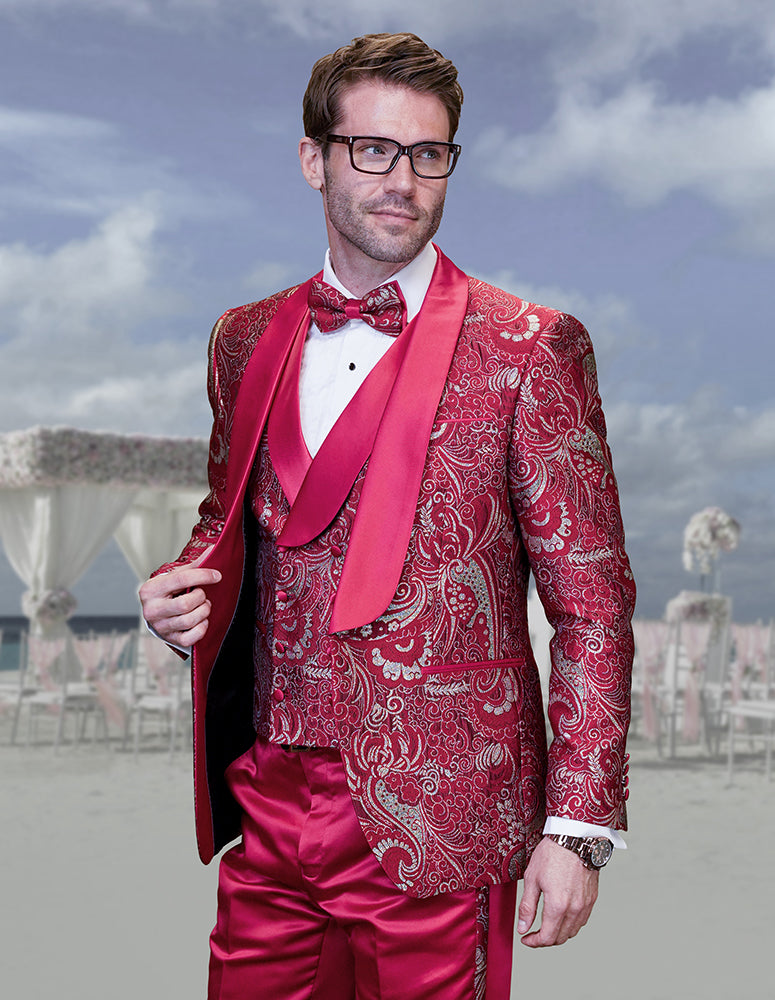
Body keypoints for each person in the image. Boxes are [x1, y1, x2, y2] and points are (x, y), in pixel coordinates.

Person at [140, 31, 635, 1000]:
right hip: (269, 798)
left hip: (441, 817)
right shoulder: (241, 338)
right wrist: (178, 596)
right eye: (372, 148)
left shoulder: (533, 347)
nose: (401, 178)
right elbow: (226, 523)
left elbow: (592, 605)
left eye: (428, 153)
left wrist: (577, 827)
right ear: (313, 158)